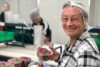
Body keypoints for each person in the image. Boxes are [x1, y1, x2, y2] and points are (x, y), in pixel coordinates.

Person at [37, 1, 100, 67]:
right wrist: (57, 56)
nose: (69, 24)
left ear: (84, 21)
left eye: (74, 19)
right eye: (65, 19)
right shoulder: (74, 42)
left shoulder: (86, 53)